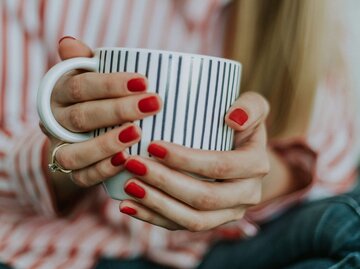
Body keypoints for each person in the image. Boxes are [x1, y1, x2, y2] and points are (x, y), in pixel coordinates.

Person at [0, 0, 359, 269]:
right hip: (63, 252)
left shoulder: (292, 12)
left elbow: (335, 152)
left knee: (348, 225)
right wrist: (66, 150)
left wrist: (251, 176)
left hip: (221, 249)